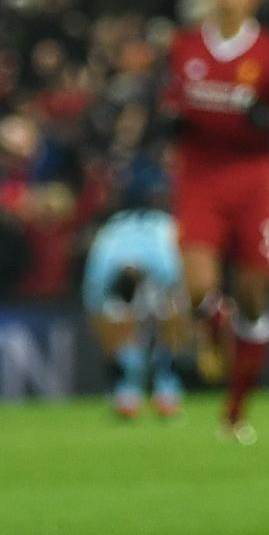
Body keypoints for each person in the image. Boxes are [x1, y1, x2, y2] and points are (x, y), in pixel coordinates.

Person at [160, 0, 269, 443]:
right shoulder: (184, 47)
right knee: (196, 287)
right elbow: (170, 102)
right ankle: (213, 325)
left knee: (253, 295)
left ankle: (235, 409)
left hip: (253, 182)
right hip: (200, 178)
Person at [79, 178, 187, 419]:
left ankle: (166, 389)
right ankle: (129, 391)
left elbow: (178, 295)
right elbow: (96, 306)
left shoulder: (163, 257)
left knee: (166, 326)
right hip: (123, 281)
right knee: (124, 334)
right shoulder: (105, 266)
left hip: (162, 281)